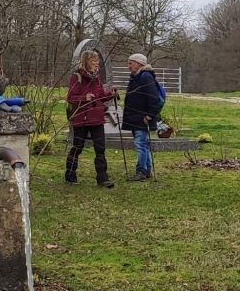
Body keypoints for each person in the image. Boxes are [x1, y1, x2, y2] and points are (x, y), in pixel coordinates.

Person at [65, 50, 117, 188]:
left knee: (100, 148)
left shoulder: (97, 78)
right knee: (78, 147)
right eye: (94, 61)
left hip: (96, 117)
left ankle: (102, 178)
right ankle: (70, 175)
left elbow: (100, 96)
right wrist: (84, 98)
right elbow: (70, 97)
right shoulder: (77, 77)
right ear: (87, 62)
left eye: (97, 61)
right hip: (82, 118)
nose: (97, 64)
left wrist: (110, 94)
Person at [120, 53, 165, 181]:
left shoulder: (145, 77)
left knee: (140, 144)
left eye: (131, 63)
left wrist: (150, 116)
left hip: (142, 118)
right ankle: (147, 170)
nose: (128, 66)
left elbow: (153, 99)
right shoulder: (136, 77)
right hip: (136, 117)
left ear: (139, 63)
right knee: (143, 144)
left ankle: (141, 171)